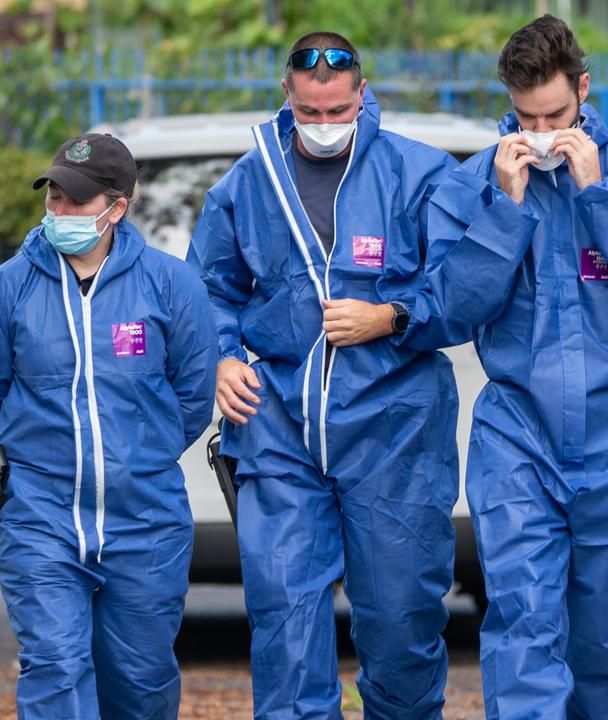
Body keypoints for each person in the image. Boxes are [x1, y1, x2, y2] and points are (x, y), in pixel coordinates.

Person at [377, 15, 608, 719]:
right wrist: (503, 209)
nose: (544, 131)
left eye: (557, 114)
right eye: (527, 117)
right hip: (518, 442)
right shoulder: (474, 186)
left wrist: (598, 197)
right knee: (524, 623)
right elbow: (452, 309)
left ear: (584, 91)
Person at [185, 31, 461, 720]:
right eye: (312, 113)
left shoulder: (418, 176)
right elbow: (208, 287)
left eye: (338, 111)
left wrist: (390, 316)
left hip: (394, 433)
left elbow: (463, 290)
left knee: (401, 619)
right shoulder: (249, 184)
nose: (326, 125)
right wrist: (223, 356)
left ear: (362, 95)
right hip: (278, 429)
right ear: (289, 97)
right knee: (285, 617)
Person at [0, 132, 218, 719]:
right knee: (55, 666)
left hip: (145, 521)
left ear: (116, 208)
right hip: (41, 518)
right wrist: (47, 449)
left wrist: (134, 451)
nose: (60, 210)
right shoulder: (7, 288)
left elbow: (192, 397)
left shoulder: (171, 286)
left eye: (75, 200)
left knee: (140, 682)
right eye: (53, 195)